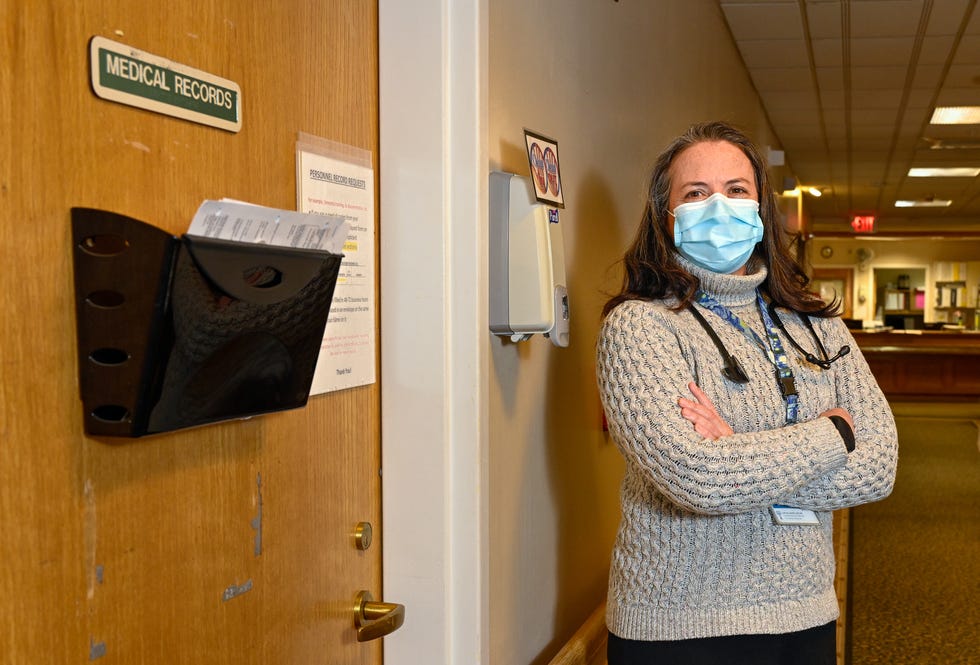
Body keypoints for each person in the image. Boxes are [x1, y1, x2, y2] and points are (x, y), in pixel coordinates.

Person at [595, 121, 898, 665]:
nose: (719, 206)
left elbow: (879, 467)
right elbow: (701, 481)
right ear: (665, 218)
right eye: (696, 193)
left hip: (804, 615)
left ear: (760, 209)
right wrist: (834, 431)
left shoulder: (815, 324)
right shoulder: (640, 327)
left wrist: (738, 448)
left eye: (736, 190)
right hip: (677, 628)